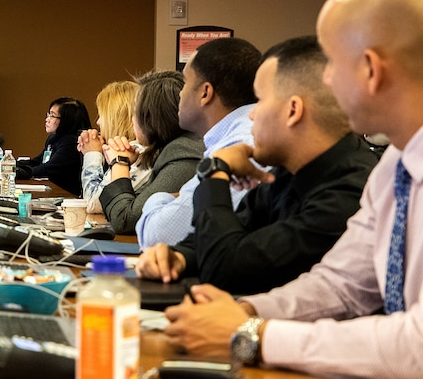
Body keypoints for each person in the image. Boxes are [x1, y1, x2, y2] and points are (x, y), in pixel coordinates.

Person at [163, 0, 423, 379]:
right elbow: (342, 286)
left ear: (371, 70)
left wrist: (254, 335)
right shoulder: (396, 166)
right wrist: (246, 312)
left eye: (333, 62)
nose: (324, 79)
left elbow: (417, 344)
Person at [136, 36, 377, 294]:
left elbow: (226, 267)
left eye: (260, 101)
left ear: (292, 110)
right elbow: (223, 237)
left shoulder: (346, 195)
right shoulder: (288, 173)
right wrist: (178, 257)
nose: (250, 114)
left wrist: (215, 172)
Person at [136, 37, 262, 248]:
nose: (180, 93)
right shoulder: (234, 136)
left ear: (205, 93)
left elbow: (157, 235)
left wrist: (161, 197)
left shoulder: (240, 144)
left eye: (185, 83)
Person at [99, 71, 204, 234]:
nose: (132, 120)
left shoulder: (185, 153)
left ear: (150, 118)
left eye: (135, 112)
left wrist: (119, 162)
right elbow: (132, 204)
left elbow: (125, 219)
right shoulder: (175, 148)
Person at [77, 80, 151, 214]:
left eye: (101, 115)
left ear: (116, 118)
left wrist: (92, 155)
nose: (98, 122)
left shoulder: (137, 153)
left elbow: (93, 203)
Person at [15, 97, 91, 196]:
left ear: (66, 120)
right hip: (54, 191)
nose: (47, 120)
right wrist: (13, 165)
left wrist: (21, 172)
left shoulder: (73, 143)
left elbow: (48, 169)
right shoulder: (54, 139)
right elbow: (37, 161)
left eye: (52, 116)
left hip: (69, 196)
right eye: (48, 114)